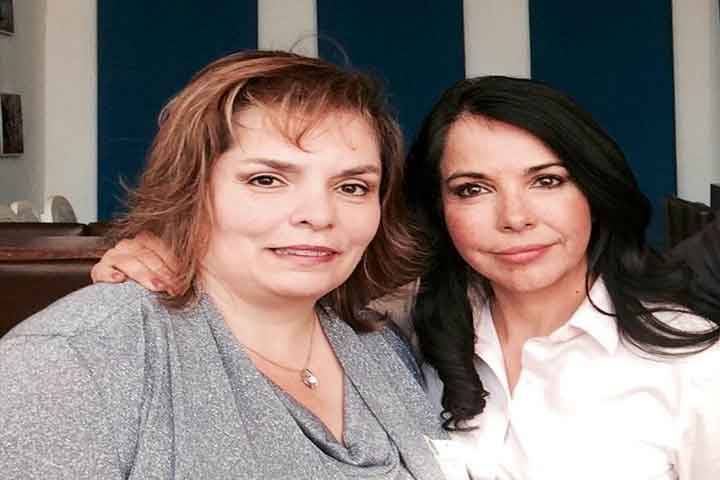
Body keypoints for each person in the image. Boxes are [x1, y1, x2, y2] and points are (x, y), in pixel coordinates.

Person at [95, 75, 720, 479]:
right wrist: (168, 250)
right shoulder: (391, 335)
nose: (515, 218)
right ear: (438, 210)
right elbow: (260, 291)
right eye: (473, 189)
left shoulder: (693, 361)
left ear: (595, 192)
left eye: (547, 181)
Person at [0, 50, 451, 479]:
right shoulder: (72, 361)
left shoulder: (382, 344)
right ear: (190, 189)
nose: (319, 215)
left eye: (352, 186)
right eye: (267, 179)